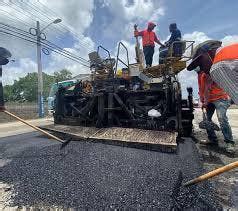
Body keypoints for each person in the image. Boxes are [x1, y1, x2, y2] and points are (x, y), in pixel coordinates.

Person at [187, 40, 235, 153]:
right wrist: (202, 99)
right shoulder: (200, 74)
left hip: (219, 98)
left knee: (222, 119)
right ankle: (212, 140)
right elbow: (202, 89)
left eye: (199, 64)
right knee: (206, 120)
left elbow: (208, 87)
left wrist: (205, 101)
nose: (197, 67)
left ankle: (229, 143)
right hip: (208, 100)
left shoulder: (211, 70)